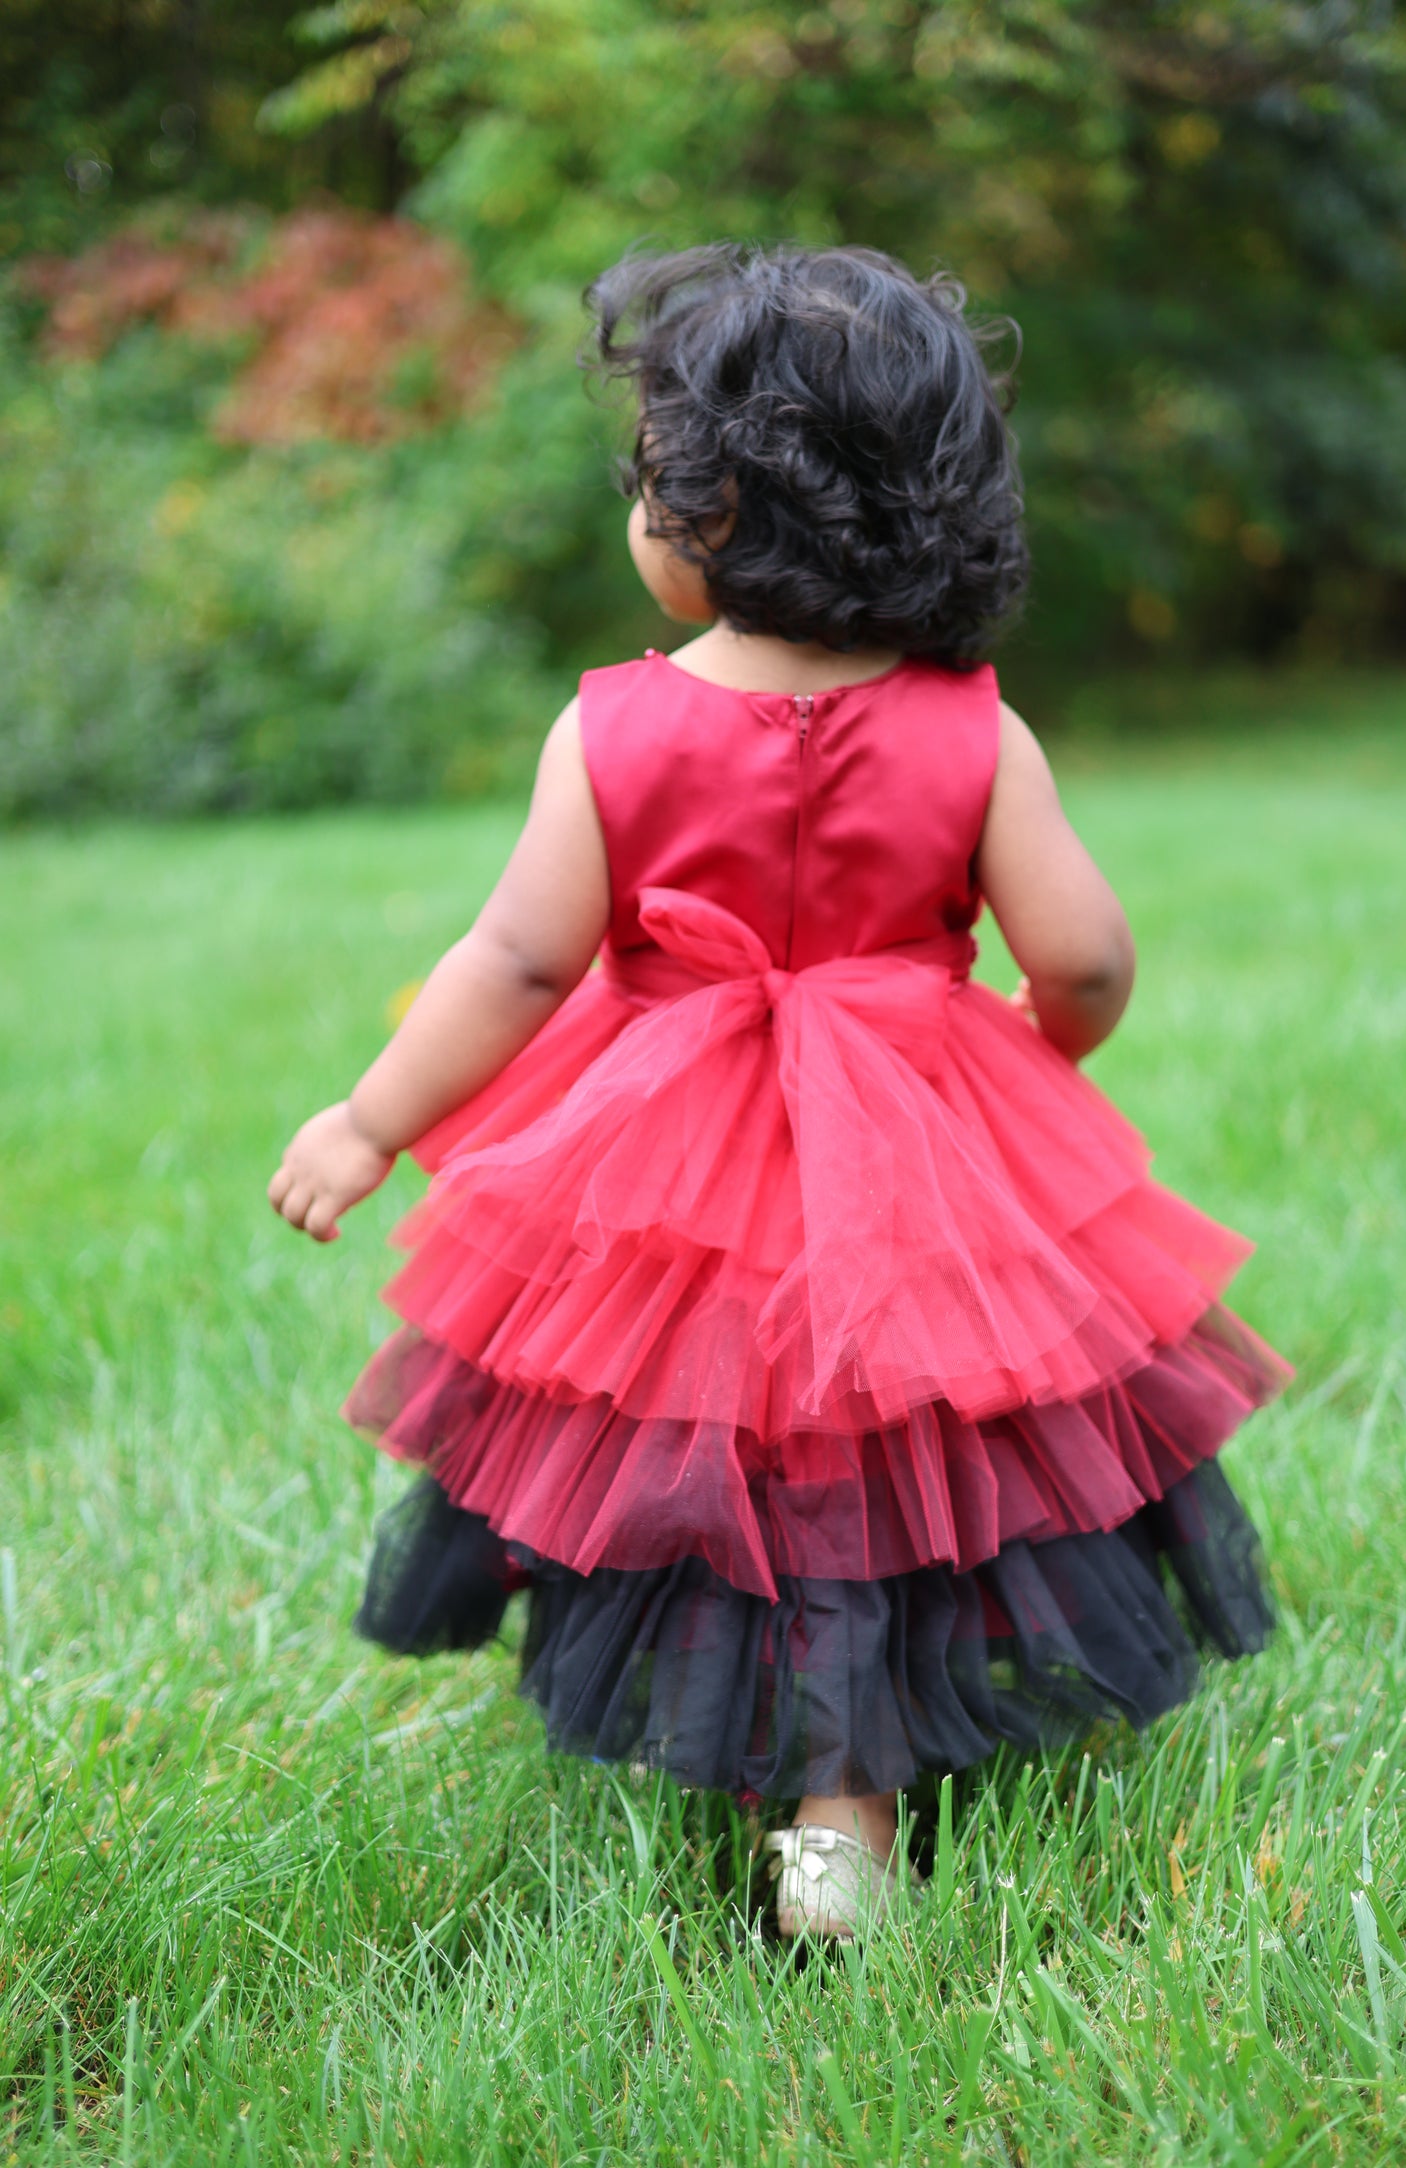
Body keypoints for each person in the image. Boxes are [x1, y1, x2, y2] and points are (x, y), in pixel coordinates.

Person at [268, 243, 1287, 1940]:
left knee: (717, 1442)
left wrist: (373, 1119)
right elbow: (1086, 952)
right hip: (920, 1133)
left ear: (709, 513)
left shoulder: (612, 732)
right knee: (899, 1459)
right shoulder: (973, 725)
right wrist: (1051, 1040)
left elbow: (516, 963)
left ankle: (769, 1765)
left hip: (674, 1160)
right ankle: (844, 1825)